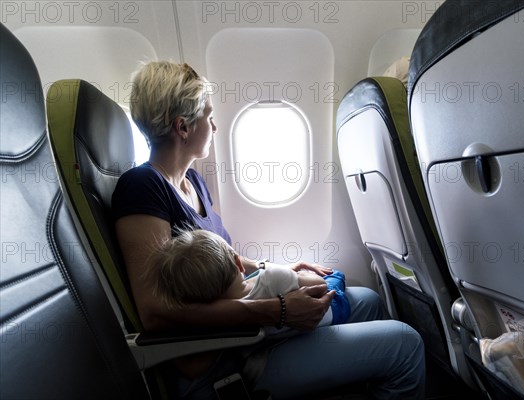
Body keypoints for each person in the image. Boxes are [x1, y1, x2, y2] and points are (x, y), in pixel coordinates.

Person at [112, 60, 425, 399]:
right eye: (208, 116)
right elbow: (157, 311)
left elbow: (223, 259)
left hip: (247, 330)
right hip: (225, 357)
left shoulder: (193, 183)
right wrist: (281, 309)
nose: (215, 127)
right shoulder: (142, 187)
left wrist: (274, 269)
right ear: (182, 127)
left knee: (367, 300)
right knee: (405, 344)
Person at [147, 229, 351, 327]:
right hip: (328, 312)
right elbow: (320, 286)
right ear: (238, 262)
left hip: (279, 336)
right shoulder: (272, 277)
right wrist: (299, 275)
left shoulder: (223, 316)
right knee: (336, 277)